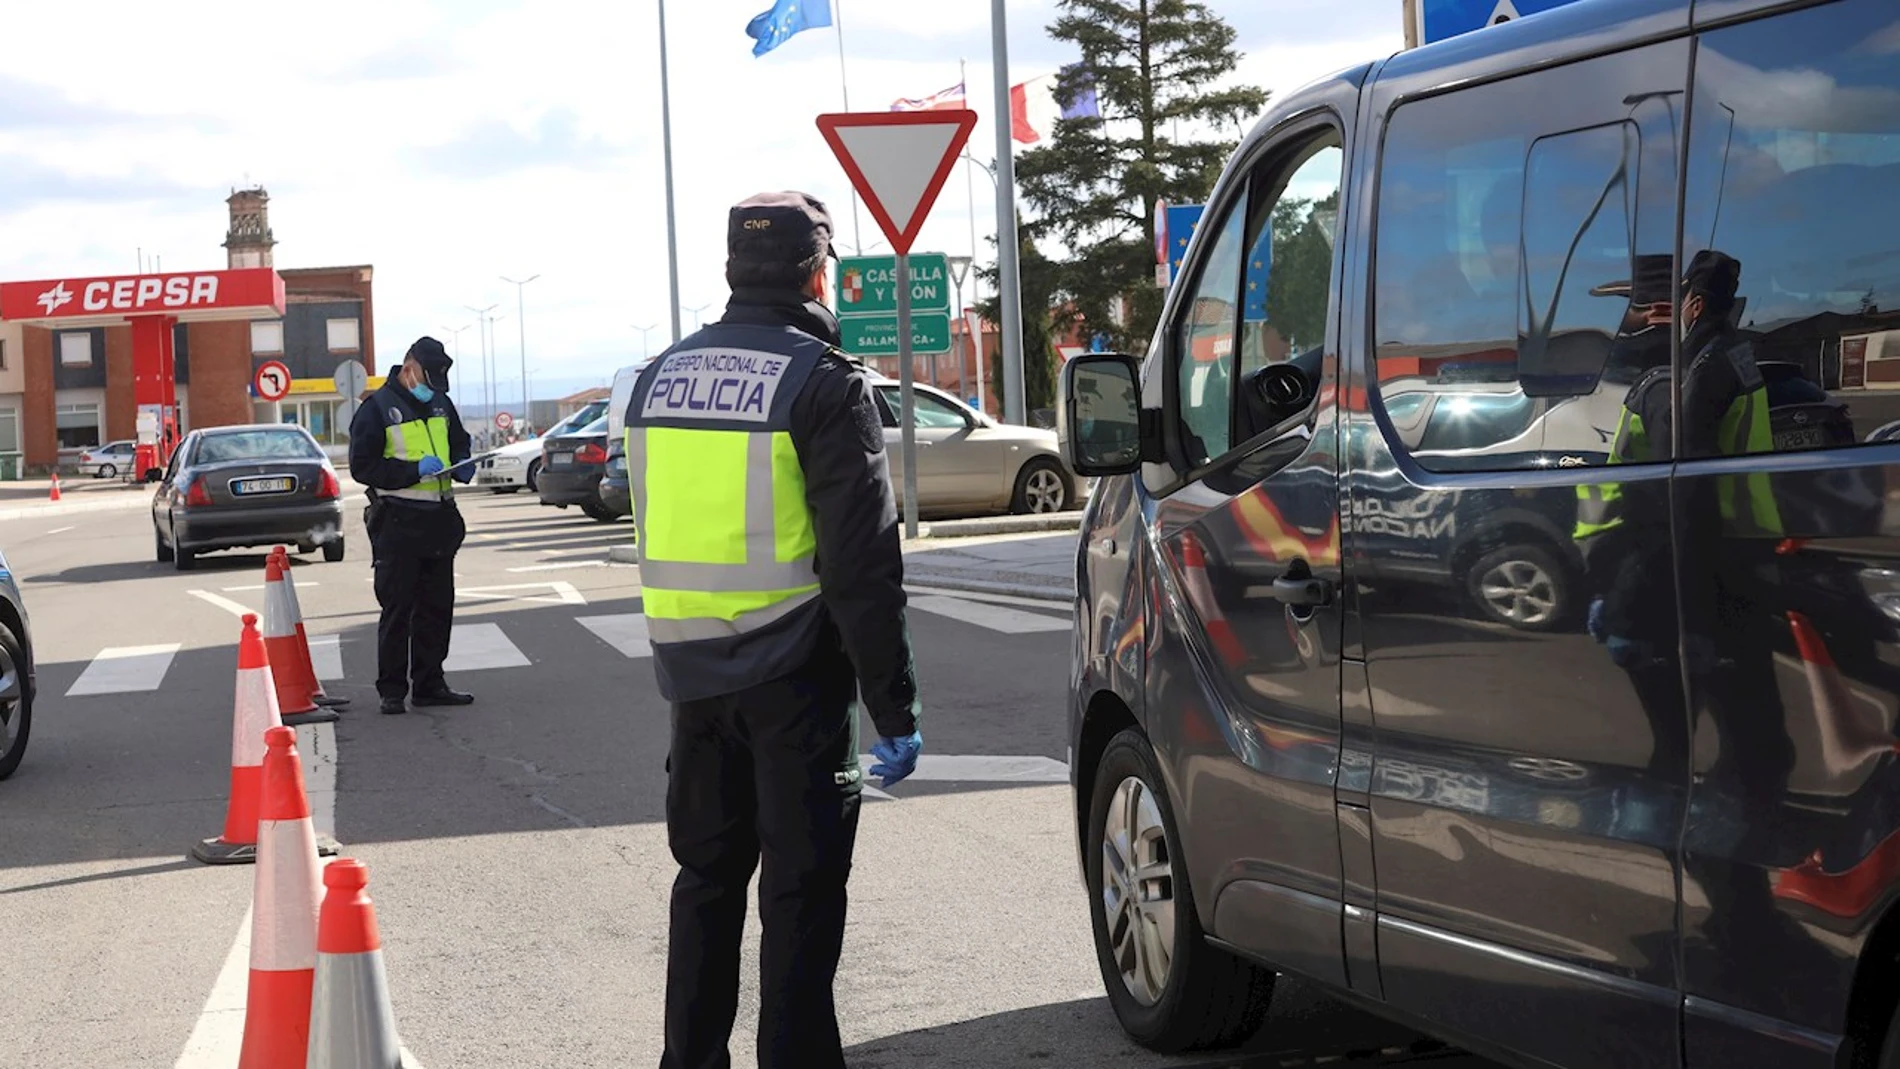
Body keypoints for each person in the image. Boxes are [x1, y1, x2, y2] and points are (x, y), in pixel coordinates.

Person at [625, 191, 923, 1069]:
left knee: (706, 881)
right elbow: (862, 567)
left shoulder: (657, 379)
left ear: (731, 269)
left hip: (690, 676)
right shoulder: (822, 382)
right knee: (801, 889)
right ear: (817, 274)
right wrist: (894, 706)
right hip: (795, 674)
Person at [348, 336, 477, 716]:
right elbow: (363, 467)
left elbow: (459, 441)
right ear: (409, 369)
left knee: (437, 609)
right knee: (397, 608)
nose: (430, 389)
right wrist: (411, 470)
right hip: (397, 521)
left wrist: (463, 462)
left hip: (438, 520)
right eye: (426, 380)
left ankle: (430, 684)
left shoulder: (440, 403)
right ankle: (392, 690)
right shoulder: (376, 409)